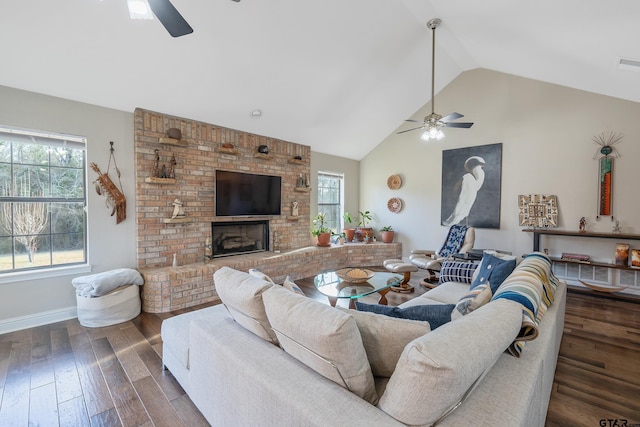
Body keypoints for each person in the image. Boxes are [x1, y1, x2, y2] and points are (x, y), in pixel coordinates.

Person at [443, 156, 486, 226]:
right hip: (461, 204)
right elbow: (456, 190)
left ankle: (455, 219)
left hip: (463, 206)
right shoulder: (469, 177)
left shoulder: (470, 177)